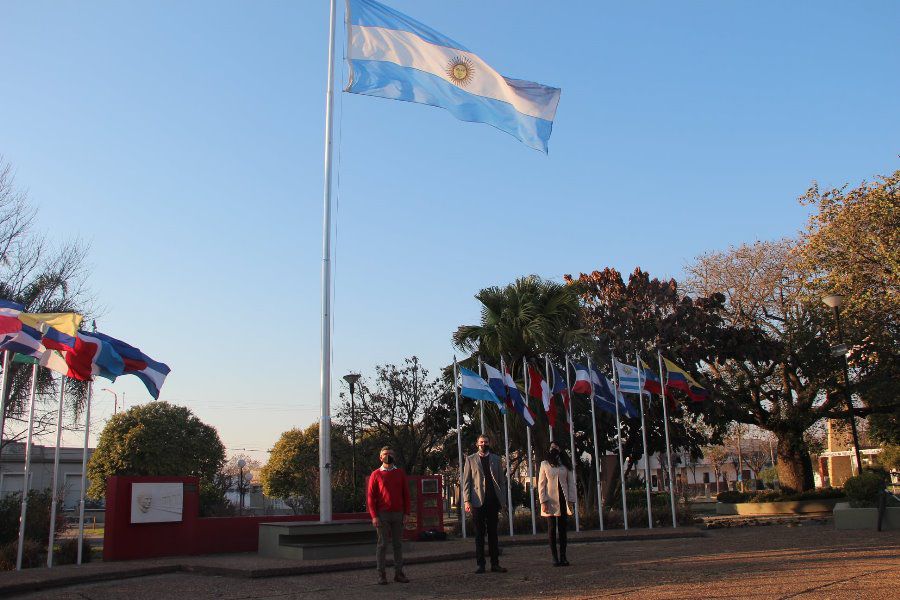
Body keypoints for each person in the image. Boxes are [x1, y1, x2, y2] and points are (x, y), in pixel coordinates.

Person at [462, 433, 509, 574]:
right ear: (477, 444)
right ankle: (480, 564)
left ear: (489, 443)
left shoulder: (496, 459)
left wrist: (503, 500)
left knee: (493, 534)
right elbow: (466, 481)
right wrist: (467, 500)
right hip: (477, 502)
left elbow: (502, 481)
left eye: (486, 442)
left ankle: (495, 564)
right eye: (481, 442)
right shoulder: (470, 459)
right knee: (479, 534)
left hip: (493, 501)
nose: (484, 444)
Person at [367, 445, 410, 585]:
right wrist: (374, 516)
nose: (388, 456)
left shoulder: (400, 473)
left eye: (390, 454)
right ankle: (381, 575)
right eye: (385, 454)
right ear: (380, 457)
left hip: (398, 514)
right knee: (382, 545)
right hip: (382, 515)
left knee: (398, 545)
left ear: (394, 457)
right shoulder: (376, 474)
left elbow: (406, 495)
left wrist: (407, 513)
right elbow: (370, 498)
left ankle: (399, 573)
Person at [538, 441, 576, 566]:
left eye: (556, 447)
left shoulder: (565, 464)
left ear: (560, 449)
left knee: (563, 530)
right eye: (552, 447)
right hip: (550, 501)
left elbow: (571, 483)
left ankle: (563, 556)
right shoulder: (545, 464)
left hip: (563, 500)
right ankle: (555, 557)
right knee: (552, 529)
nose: (554, 449)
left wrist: (571, 500)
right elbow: (541, 484)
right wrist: (543, 501)